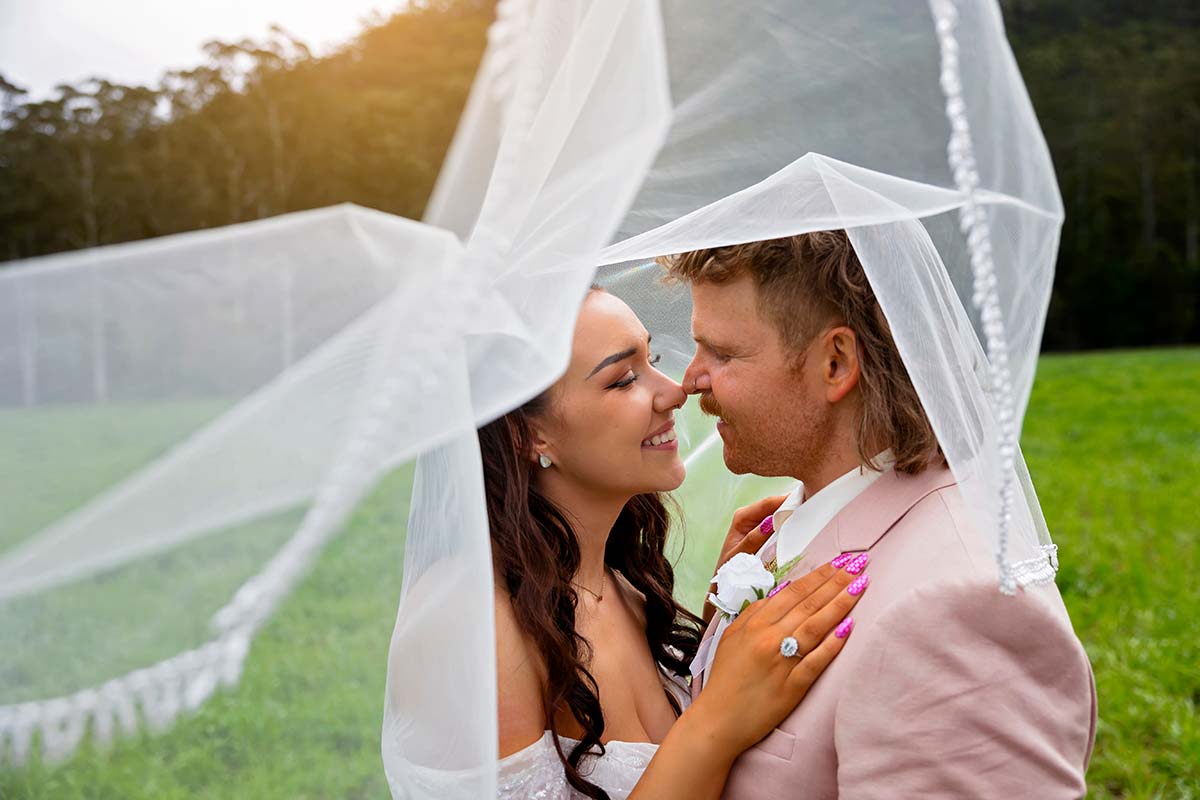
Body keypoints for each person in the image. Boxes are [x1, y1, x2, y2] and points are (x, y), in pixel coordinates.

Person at [664, 231, 1097, 799]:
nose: (690, 379)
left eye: (722, 353)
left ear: (836, 363)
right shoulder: (798, 522)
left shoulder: (958, 613)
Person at [478, 285, 871, 799]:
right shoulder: (481, 628)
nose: (674, 391)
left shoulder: (626, 592)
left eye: (653, 358)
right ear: (528, 437)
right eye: (623, 380)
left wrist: (718, 632)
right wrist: (718, 718)